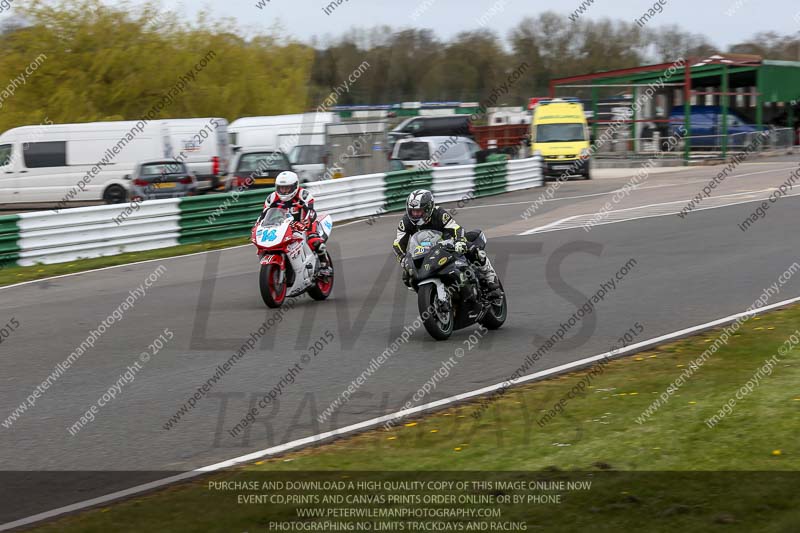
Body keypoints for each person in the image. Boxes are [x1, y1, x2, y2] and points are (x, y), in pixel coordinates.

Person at [392, 189, 499, 295]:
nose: (415, 215)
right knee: (407, 277)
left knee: (471, 248)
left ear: (428, 208)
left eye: (419, 211)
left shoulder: (439, 214)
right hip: (425, 252)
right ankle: (431, 294)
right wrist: (403, 259)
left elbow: (456, 228)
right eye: (412, 211)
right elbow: (398, 244)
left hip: (448, 246)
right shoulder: (405, 222)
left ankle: (489, 275)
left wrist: (460, 241)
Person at [256, 171, 327, 266]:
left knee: (313, 241)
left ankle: (324, 265)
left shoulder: (303, 194)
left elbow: (311, 212)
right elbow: (264, 215)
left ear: (295, 186)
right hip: (283, 227)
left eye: (287, 188)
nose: (284, 191)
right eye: (281, 188)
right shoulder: (272, 198)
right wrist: (258, 225)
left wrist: (305, 223)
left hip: (304, 225)